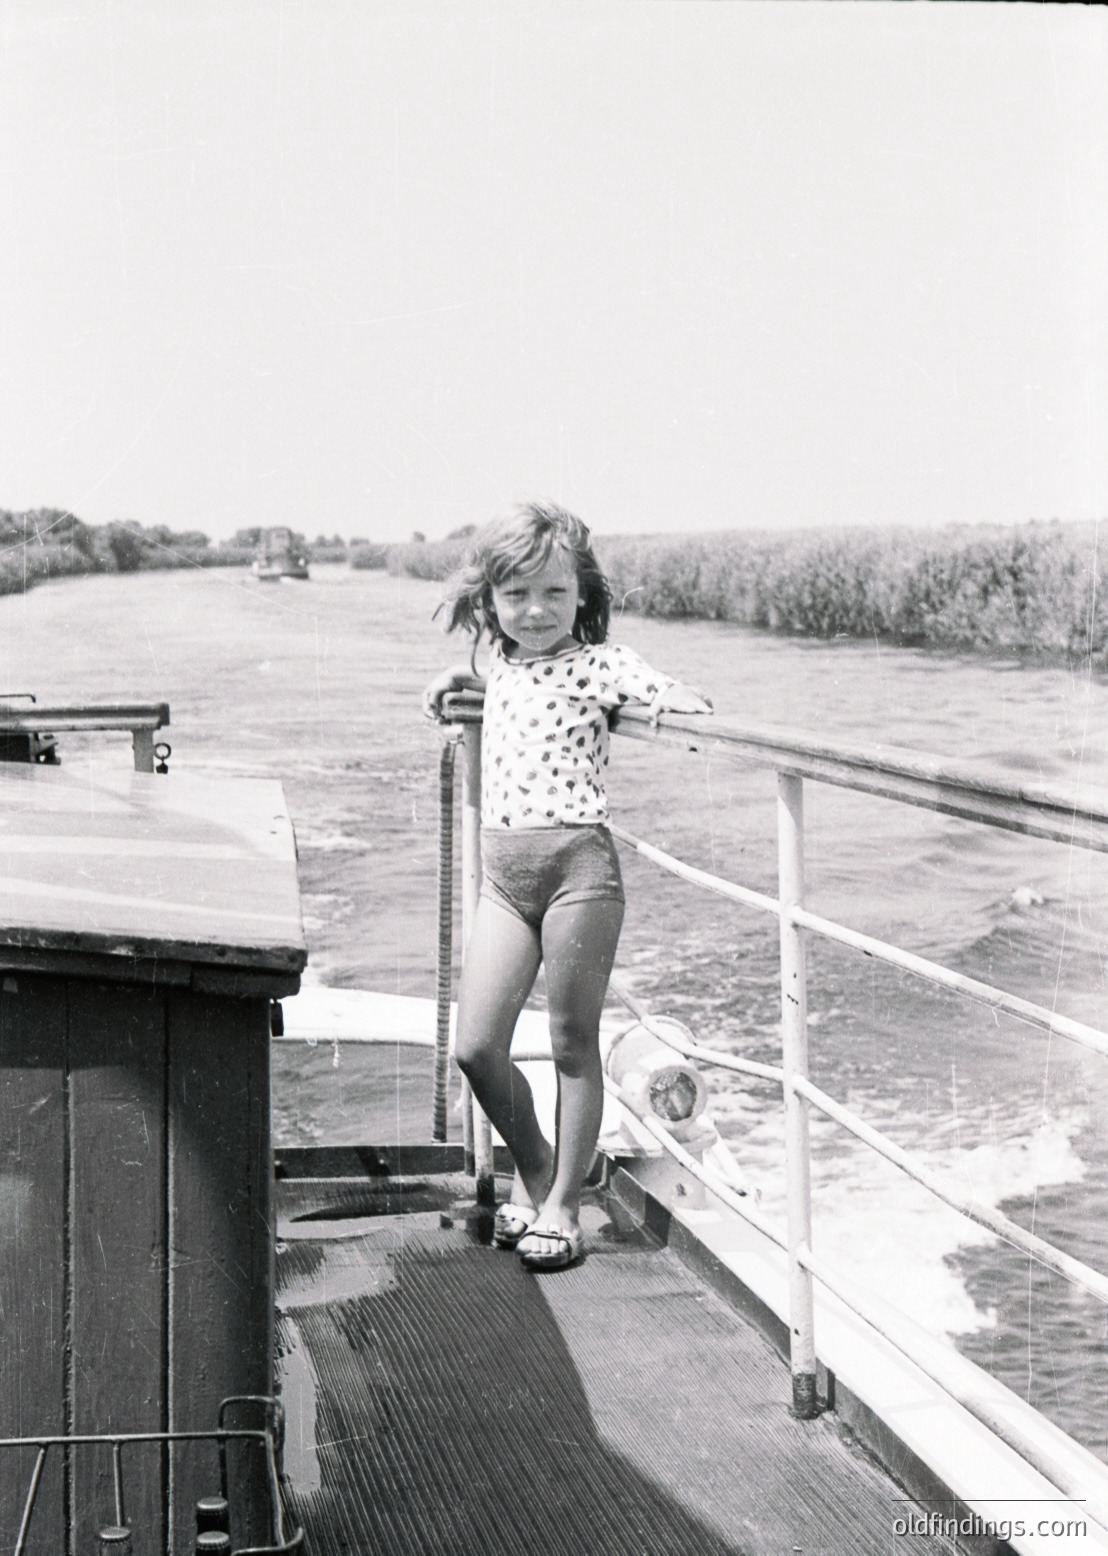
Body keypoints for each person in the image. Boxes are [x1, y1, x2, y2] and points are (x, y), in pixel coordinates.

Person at [423, 501, 712, 1270]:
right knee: (477, 1046)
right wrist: (462, 679)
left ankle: (563, 1207)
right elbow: (509, 685)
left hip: (578, 874)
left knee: (569, 1043)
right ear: (490, 602)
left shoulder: (601, 663)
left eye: (554, 592)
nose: (537, 610)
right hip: (504, 882)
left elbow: (667, 691)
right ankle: (543, 1164)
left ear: (582, 593)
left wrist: (672, 702)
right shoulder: (503, 668)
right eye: (517, 596)